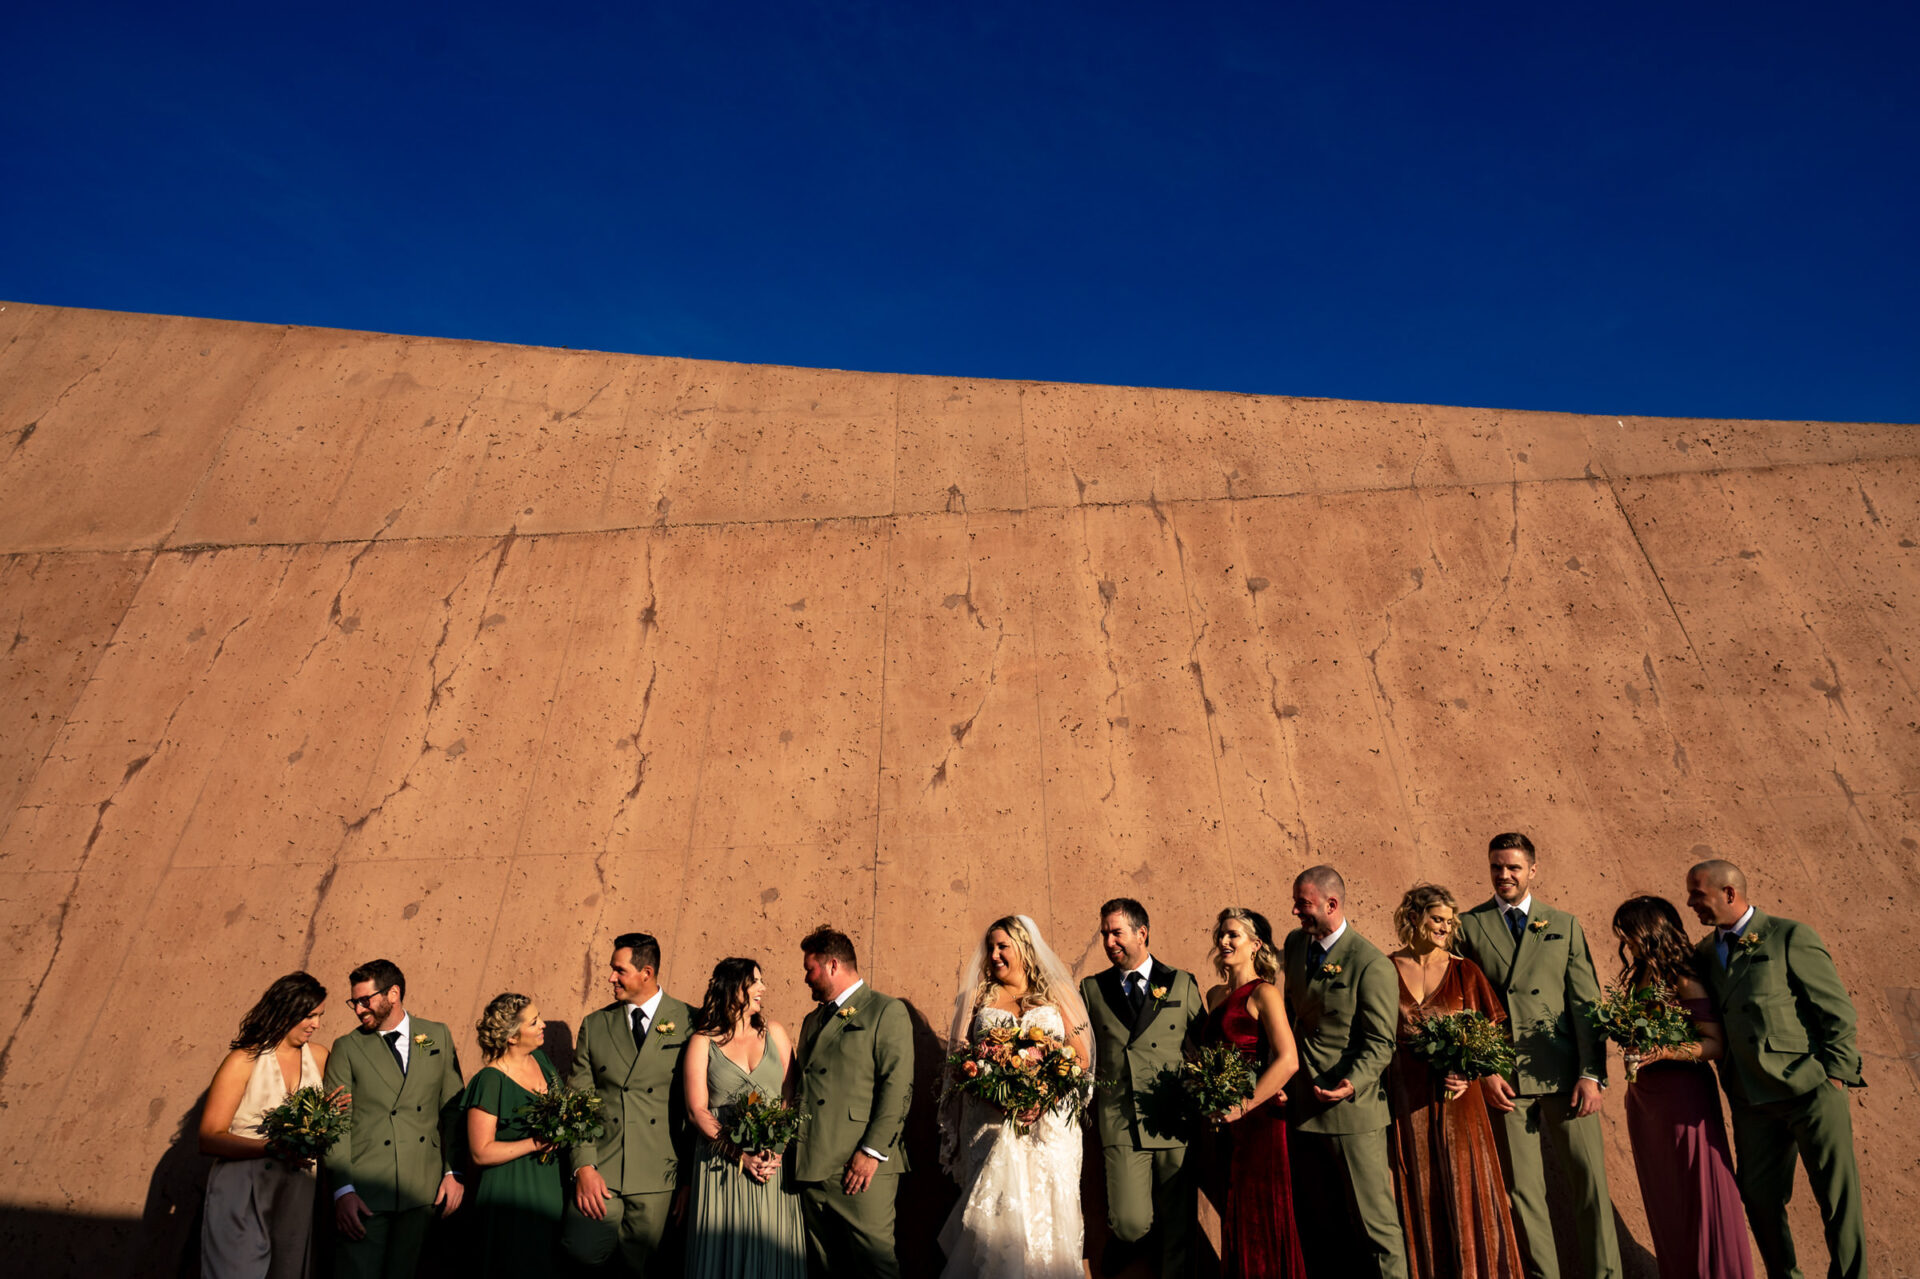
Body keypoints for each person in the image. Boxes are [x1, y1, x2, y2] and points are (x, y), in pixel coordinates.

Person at [1687, 859, 1866, 1279]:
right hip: (1752, 1100)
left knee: (1837, 1201)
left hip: (1810, 1091)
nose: (1691, 902)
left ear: (1729, 892)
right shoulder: (1704, 954)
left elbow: (1836, 1011)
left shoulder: (1789, 935)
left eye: (1698, 894)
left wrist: (1834, 1077)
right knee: (1759, 1197)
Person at [1452, 834, 1621, 1279]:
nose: (1504, 875)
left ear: (1533, 869)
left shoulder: (1564, 924)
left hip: (1566, 1074)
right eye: (1496, 867)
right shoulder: (1469, 926)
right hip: (1506, 1080)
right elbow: (1464, 1007)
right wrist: (1485, 1072)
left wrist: (1592, 1074)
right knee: (1524, 1196)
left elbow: (1586, 1005)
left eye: (1513, 867)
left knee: (1590, 1187)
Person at [937, 914, 1094, 1279]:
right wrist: (999, 1096)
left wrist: (1043, 1097)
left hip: (1050, 1129)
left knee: (1049, 1217)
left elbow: (1081, 1058)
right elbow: (959, 1061)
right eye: (990, 948)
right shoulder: (978, 997)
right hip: (991, 1123)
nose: (993, 955)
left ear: (1024, 948)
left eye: (1002, 946)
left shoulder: (1057, 994)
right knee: (995, 1219)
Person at [1384, 884, 1524, 1279]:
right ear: (1414, 918)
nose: (1445, 928)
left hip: (1460, 1101)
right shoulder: (1385, 968)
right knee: (1421, 1192)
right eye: (1437, 920)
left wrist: (1471, 1070)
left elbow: (1492, 1033)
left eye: (1449, 921)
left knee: (1467, 1190)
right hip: (1408, 1100)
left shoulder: (1465, 971)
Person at [1610, 896, 1751, 1279]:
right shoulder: (1641, 974)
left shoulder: (1683, 978)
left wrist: (1663, 1051)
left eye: (1630, 932)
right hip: (1645, 1102)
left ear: (1651, 931)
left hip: (1682, 1099)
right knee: (1666, 1199)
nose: (1625, 941)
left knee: (1697, 1195)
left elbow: (1714, 1043)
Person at [1282, 865, 1408, 1279]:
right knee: (1321, 1228)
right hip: (1302, 1108)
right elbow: (1291, 1017)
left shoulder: (1370, 964)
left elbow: (1380, 1042)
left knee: (1376, 1229)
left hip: (1352, 1115)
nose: (1296, 912)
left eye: (1303, 904)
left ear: (1331, 904)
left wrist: (1350, 1084)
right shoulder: (1295, 945)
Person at [1077, 897, 1205, 1278]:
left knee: (1179, 1226)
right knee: (1129, 1223)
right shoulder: (1092, 988)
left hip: (1173, 1119)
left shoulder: (1180, 982)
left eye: (1116, 933)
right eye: (1104, 934)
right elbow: (1078, 1051)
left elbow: (1206, 1045)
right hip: (1121, 1120)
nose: (1109, 942)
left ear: (1141, 933)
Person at [322, 959, 466, 1279]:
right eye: (353, 1002)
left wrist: (454, 1171)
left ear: (393, 994)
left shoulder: (437, 1035)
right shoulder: (347, 1048)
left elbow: (453, 1110)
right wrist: (343, 1190)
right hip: (365, 1192)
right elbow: (336, 1124)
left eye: (365, 1000)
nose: (358, 1010)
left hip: (423, 1189)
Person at [563, 932, 696, 1275]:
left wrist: (688, 1180)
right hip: (602, 1171)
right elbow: (578, 1103)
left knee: (643, 1268)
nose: (611, 978)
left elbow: (697, 1108)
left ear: (646, 973)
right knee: (581, 1251)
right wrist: (584, 1166)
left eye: (619, 970)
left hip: (659, 1176)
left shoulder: (690, 1021)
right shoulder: (595, 1025)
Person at [790, 926, 913, 1279]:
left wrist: (872, 1152)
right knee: (826, 1268)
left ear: (832, 965)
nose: (805, 978)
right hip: (812, 1165)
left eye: (810, 969)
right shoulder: (812, 1020)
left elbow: (898, 1086)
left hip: (860, 1168)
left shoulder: (884, 1010)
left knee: (876, 1266)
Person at [199, 971, 331, 1279]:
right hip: (243, 1188)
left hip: (297, 1190)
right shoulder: (243, 1060)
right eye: (309, 1015)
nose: (316, 1024)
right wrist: (271, 1147)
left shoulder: (320, 1057)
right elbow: (208, 1137)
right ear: (286, 1011)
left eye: (319, 1016)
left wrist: (332, 1112)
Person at [683, 957, 807, 1279]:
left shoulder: (774, 1033)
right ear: (733, 988)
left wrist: (776, 1151)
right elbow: (697, 1110)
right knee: (723, 1255)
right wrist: (740, 1156)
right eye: (755, 981)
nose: (763, 987)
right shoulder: (702, 1042)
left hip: (771, 1165)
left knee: (771, 1251)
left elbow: (790, 1095)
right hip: (721, 1164)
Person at [1199, 907, 1305, 1279]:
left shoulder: (1265, 993)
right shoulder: (1214, 995)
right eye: (1222, 934)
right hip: (1223, 1123)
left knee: (1259, 1218)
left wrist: (1242, 1106)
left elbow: (1288, 1059)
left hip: (1259, 1121)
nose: (1224, 941)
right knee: (1234, 1216)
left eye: (1234, 935)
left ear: (1256, 944)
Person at [463, 993, 565, 1276]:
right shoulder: (490, 1080)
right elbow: (480, 1152)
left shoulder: (541, 1060)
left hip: (549, 1187)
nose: (543, 1024)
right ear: (512, 1037)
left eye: (539, 1017)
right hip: (511, 1193)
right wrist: (534, 1143)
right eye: (533, 1022)